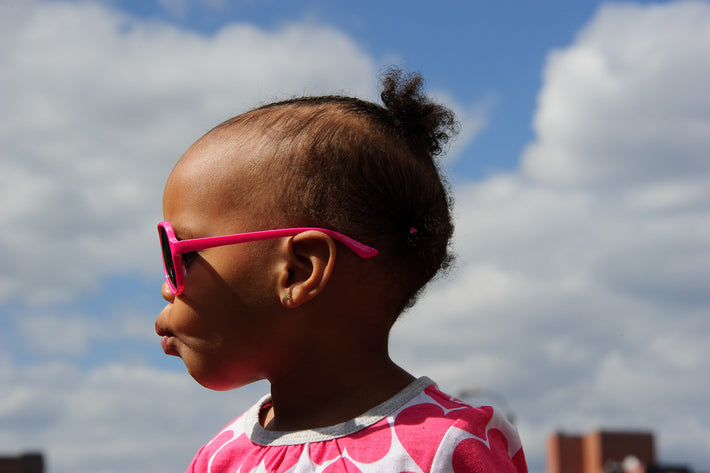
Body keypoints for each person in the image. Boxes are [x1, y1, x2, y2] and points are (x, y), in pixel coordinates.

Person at [155, 68, 528, 473]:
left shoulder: (449, 448)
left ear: (298, 270)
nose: (166, 287)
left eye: (181, 255)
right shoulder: (217, 460)